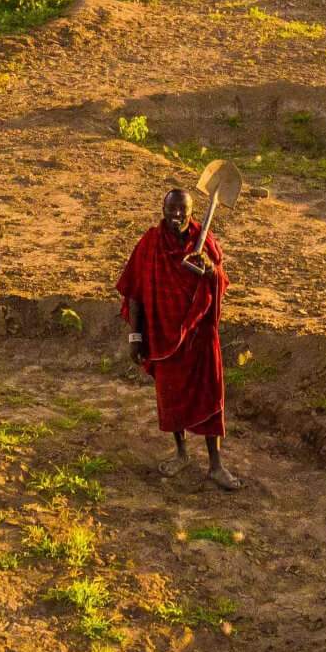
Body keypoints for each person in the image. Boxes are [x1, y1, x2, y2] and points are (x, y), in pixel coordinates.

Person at [115, 186, 237, 490]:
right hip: (163, 334)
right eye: (171, 210)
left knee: (211, 396)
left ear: (192, 212)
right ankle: (181, 453)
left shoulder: (205, 243)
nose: (176, 216)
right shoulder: (151, 243)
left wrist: (210, 271)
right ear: (163, 210)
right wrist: (135, 336)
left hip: (200, 335)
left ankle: (216, 464)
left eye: (182, 210)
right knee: (170, 396)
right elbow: (134, 290)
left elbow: (221, 283)